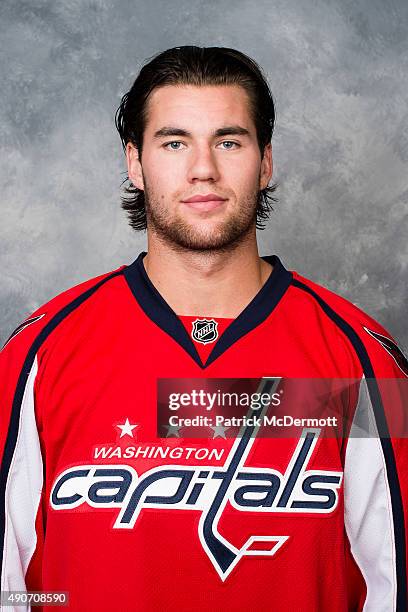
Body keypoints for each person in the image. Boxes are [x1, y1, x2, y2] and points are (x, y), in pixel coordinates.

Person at [0, 45, 407, 612]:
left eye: (229, 140)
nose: (203, 169)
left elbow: (397, 579)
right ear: (135, 163)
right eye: (174, 142)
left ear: (266, 162)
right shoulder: (37, 355)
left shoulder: (360, 358)